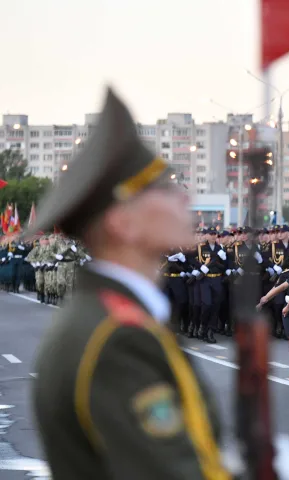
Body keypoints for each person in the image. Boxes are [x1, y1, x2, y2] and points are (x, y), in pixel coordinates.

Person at [31, 89, 232, 478]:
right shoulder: (118, 337)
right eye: (164, 189)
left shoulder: (121, 315)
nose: (183, 198)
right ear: (122, 223)